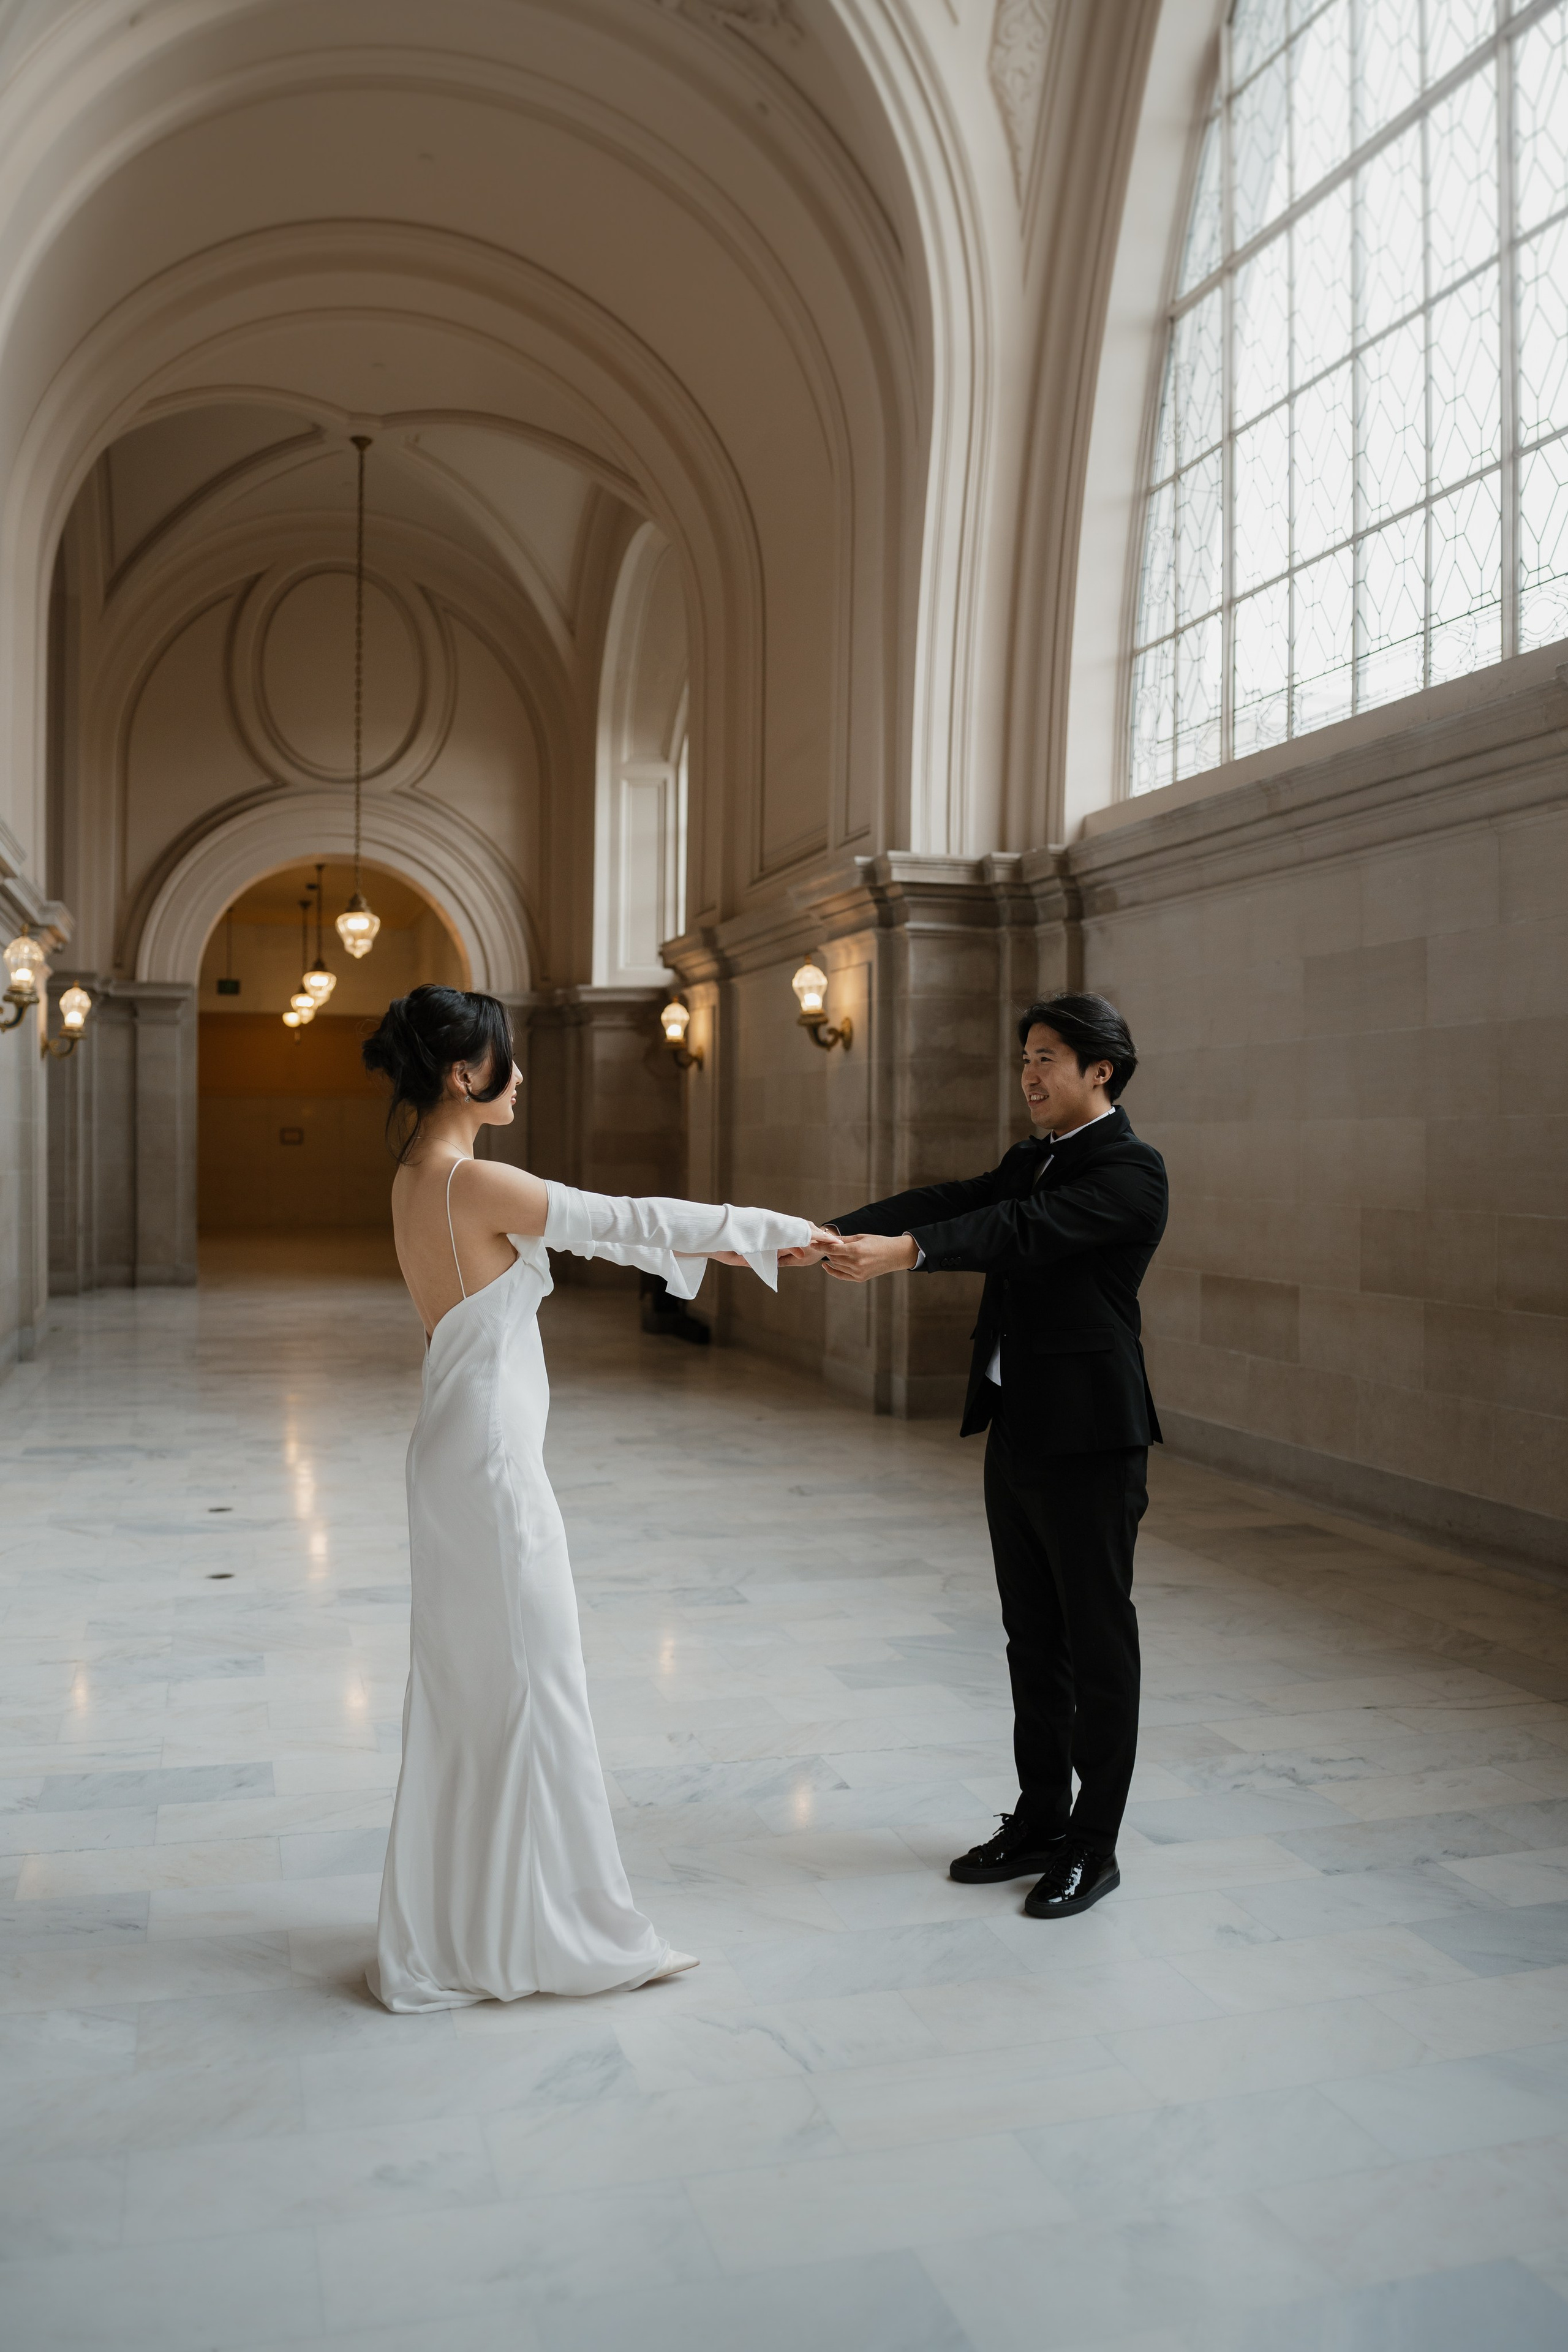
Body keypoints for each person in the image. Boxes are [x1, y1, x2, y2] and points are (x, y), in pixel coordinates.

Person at [360, 984, 829, 2010]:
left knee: (476, 1694)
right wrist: (772, 1231)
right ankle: (566, 1933)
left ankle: (476, 1924)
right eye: (507, 1062)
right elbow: (625, 1219)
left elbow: (619, 1237)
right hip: (489, 1471)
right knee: (537, 1688)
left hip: (452, 1456)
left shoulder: (413, 1178)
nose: (521, 1077)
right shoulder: (473, 1183)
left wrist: (749, 1242)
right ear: (461, 1074)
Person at [813, 994, 1167, 1920]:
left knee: (1098, 1646)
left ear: (1102, 1071)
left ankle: (1096, 1845)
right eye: (1025, 1058)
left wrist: (911, 1254)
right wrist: (826, 1232)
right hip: (1018, 1428)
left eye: (1049, 1057)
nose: (1030, 1073)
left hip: (1093, 1437)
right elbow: (958, 1200)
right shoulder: (1028, 1160)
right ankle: (1042, 1817)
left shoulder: (1133, 1170)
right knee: (1032, 1639)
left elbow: (1015, 1233)